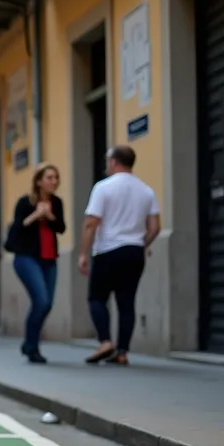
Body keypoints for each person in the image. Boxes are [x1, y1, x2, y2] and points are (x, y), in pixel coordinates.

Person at [79, 145, 161, 366]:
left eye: (108, 160)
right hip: (134, 251)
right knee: (126, 302)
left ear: (114, 162)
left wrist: (83, 253)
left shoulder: (103, 188)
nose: (107, 165)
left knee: (97, 298)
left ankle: (105, 341)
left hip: (108, 250)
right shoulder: (146, 190)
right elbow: (155, 227)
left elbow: (91, 223)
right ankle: (122, 351)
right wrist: (142, 243)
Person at [8, 162, 66, 364]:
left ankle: (28, 343)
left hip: (49, 259)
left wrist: (49, 216)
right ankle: (33, 347)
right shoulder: (25, 202)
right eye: (49, 178)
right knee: (40, 300)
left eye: (56, 177)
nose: (54, 181)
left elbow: (61, 228)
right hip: (26, 258)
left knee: (46, 304)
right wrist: (35, 215)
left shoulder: (57, 203)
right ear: (39, 181)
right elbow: (16, 229)